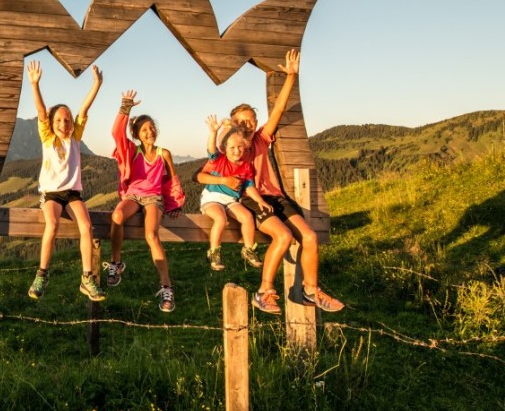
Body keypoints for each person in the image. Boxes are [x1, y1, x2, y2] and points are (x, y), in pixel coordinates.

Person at [222, 49, 345, 314]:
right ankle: (264, 291)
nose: (246, 124)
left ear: (255, 123)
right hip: (251, 199)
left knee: (309, 236)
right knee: (283, 236)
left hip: (277, 197)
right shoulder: (231, 148)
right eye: (240, 121)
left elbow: (278, 109)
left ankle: (310, 290)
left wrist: (291, 76)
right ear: (232, 124)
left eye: (250, 120)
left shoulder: (261, 139)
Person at [26, 60, 106, 302]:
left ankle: (87, 278)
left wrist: (96, 85)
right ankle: (42, 274)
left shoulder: (75, 137)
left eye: (67, 120)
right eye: (59, 120)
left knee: (86, 227)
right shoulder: (48, 137)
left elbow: (84, 110)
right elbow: (41, 112)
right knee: (52, 224)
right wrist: (34, 85)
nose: (64, 124)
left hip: (72, 193)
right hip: (51, 194)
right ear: (51, 124)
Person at [104, 89, 185, 312]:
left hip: (154, 198)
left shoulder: (163, 154)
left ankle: (167, 287)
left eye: (151, 128)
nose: (149, 132)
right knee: (117, 216)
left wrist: (174, 204)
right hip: (132, 195)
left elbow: (171, 180)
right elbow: (116, 132)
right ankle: (116, 263)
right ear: (137, 134)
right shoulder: (132, 150)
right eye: (144, 129)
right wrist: (125, 107)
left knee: (151, 235)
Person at [196, 115, 271, 272]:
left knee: (247, 217)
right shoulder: (219, 160)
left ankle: (249, 249)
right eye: (232, 148)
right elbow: (211, 149)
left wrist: (260, 201)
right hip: (212, 198)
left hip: (231, 200)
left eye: (240, 147)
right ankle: (214, 252)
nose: (236, 151)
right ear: (224, 148)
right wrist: (213, 132)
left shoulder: (246, 167)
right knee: (220, 218)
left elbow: (249, 186)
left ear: (244, 146)